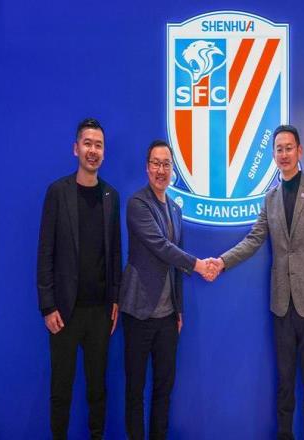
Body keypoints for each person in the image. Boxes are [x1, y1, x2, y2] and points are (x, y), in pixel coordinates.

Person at [210, 125, 304, 440]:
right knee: (284, 383)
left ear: (299, 151)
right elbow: (254, 239)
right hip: (281, 305)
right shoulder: (270, 198)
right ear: (273, 155)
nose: (284, 153)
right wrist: (223, 261)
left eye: (289, 147)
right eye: (279, 149)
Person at [119, 139, 214, 440]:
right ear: (147, 168)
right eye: (156, 164)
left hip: (167, 318)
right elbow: (161, 247)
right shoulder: (137, 204)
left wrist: (179, 309)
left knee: (164, 388)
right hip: (138, 312)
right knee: (135, 389)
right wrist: (199, 265)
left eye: (166, 164)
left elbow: (175, 266)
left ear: (173, 170)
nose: (161, 170)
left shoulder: (175, 209)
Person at [37, 118, 122, 439]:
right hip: (63, 313)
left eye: (98, 145)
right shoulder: (57, 193)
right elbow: (45, 251)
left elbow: (115, 254)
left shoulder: (111, 196)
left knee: (97, 390)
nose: (93, 150)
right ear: (76, 149)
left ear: (104, 152)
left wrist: (115, 299)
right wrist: (48, 306)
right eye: (87, 143)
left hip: (100, 313)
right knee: (61, 390)